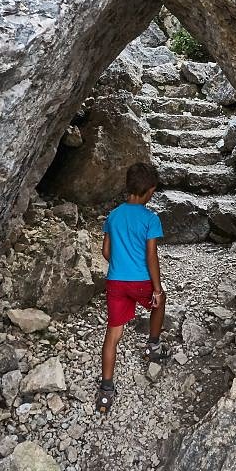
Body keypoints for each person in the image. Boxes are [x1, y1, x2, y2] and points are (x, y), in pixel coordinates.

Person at [96, 161, 167, 414]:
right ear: (149, 191)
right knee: (160, 301)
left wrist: (121, 265)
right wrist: (156, 289)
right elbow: (151, 256)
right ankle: (153, 346)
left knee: (113, 334)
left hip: (116, 281)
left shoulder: (113, 216)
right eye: (153, 191)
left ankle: (105, 391)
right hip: (140, 282)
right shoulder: (151, 218)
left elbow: (106, 252)